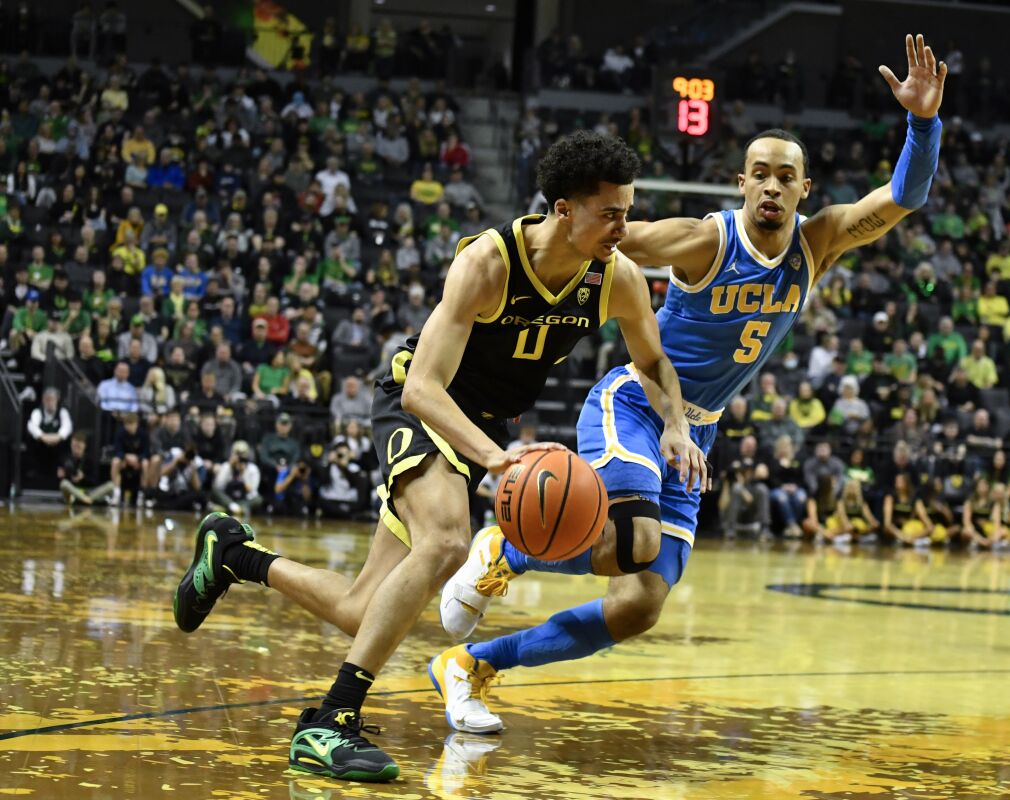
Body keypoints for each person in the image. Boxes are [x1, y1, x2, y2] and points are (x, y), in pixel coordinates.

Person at [432, 33, 947, 733]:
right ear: (740, 183)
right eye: (758, 172)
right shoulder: (705, 239)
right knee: (634, 537)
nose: (770, 184)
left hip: (698, 428)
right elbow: (600, 239)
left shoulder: (817, 242)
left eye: (784, 176)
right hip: (637, 403)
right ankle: (504, 552)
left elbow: (905, 195)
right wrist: (513, 257)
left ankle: (473, 666)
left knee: (640, 602)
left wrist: (922, 121)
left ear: (803, 189)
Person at [170, 130, 704, 781]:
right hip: (419, 401)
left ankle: (233, 554)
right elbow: (423, 386)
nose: (625, 227)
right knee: (449, 538)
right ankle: (329, 721)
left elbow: (651, 361)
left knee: (363, 611)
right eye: (610, 213)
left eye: (627, 210)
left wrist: (675, 423)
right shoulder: (489, 262)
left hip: (480, 427)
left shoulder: (615, 279)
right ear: (564, 209)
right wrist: (496, 457)